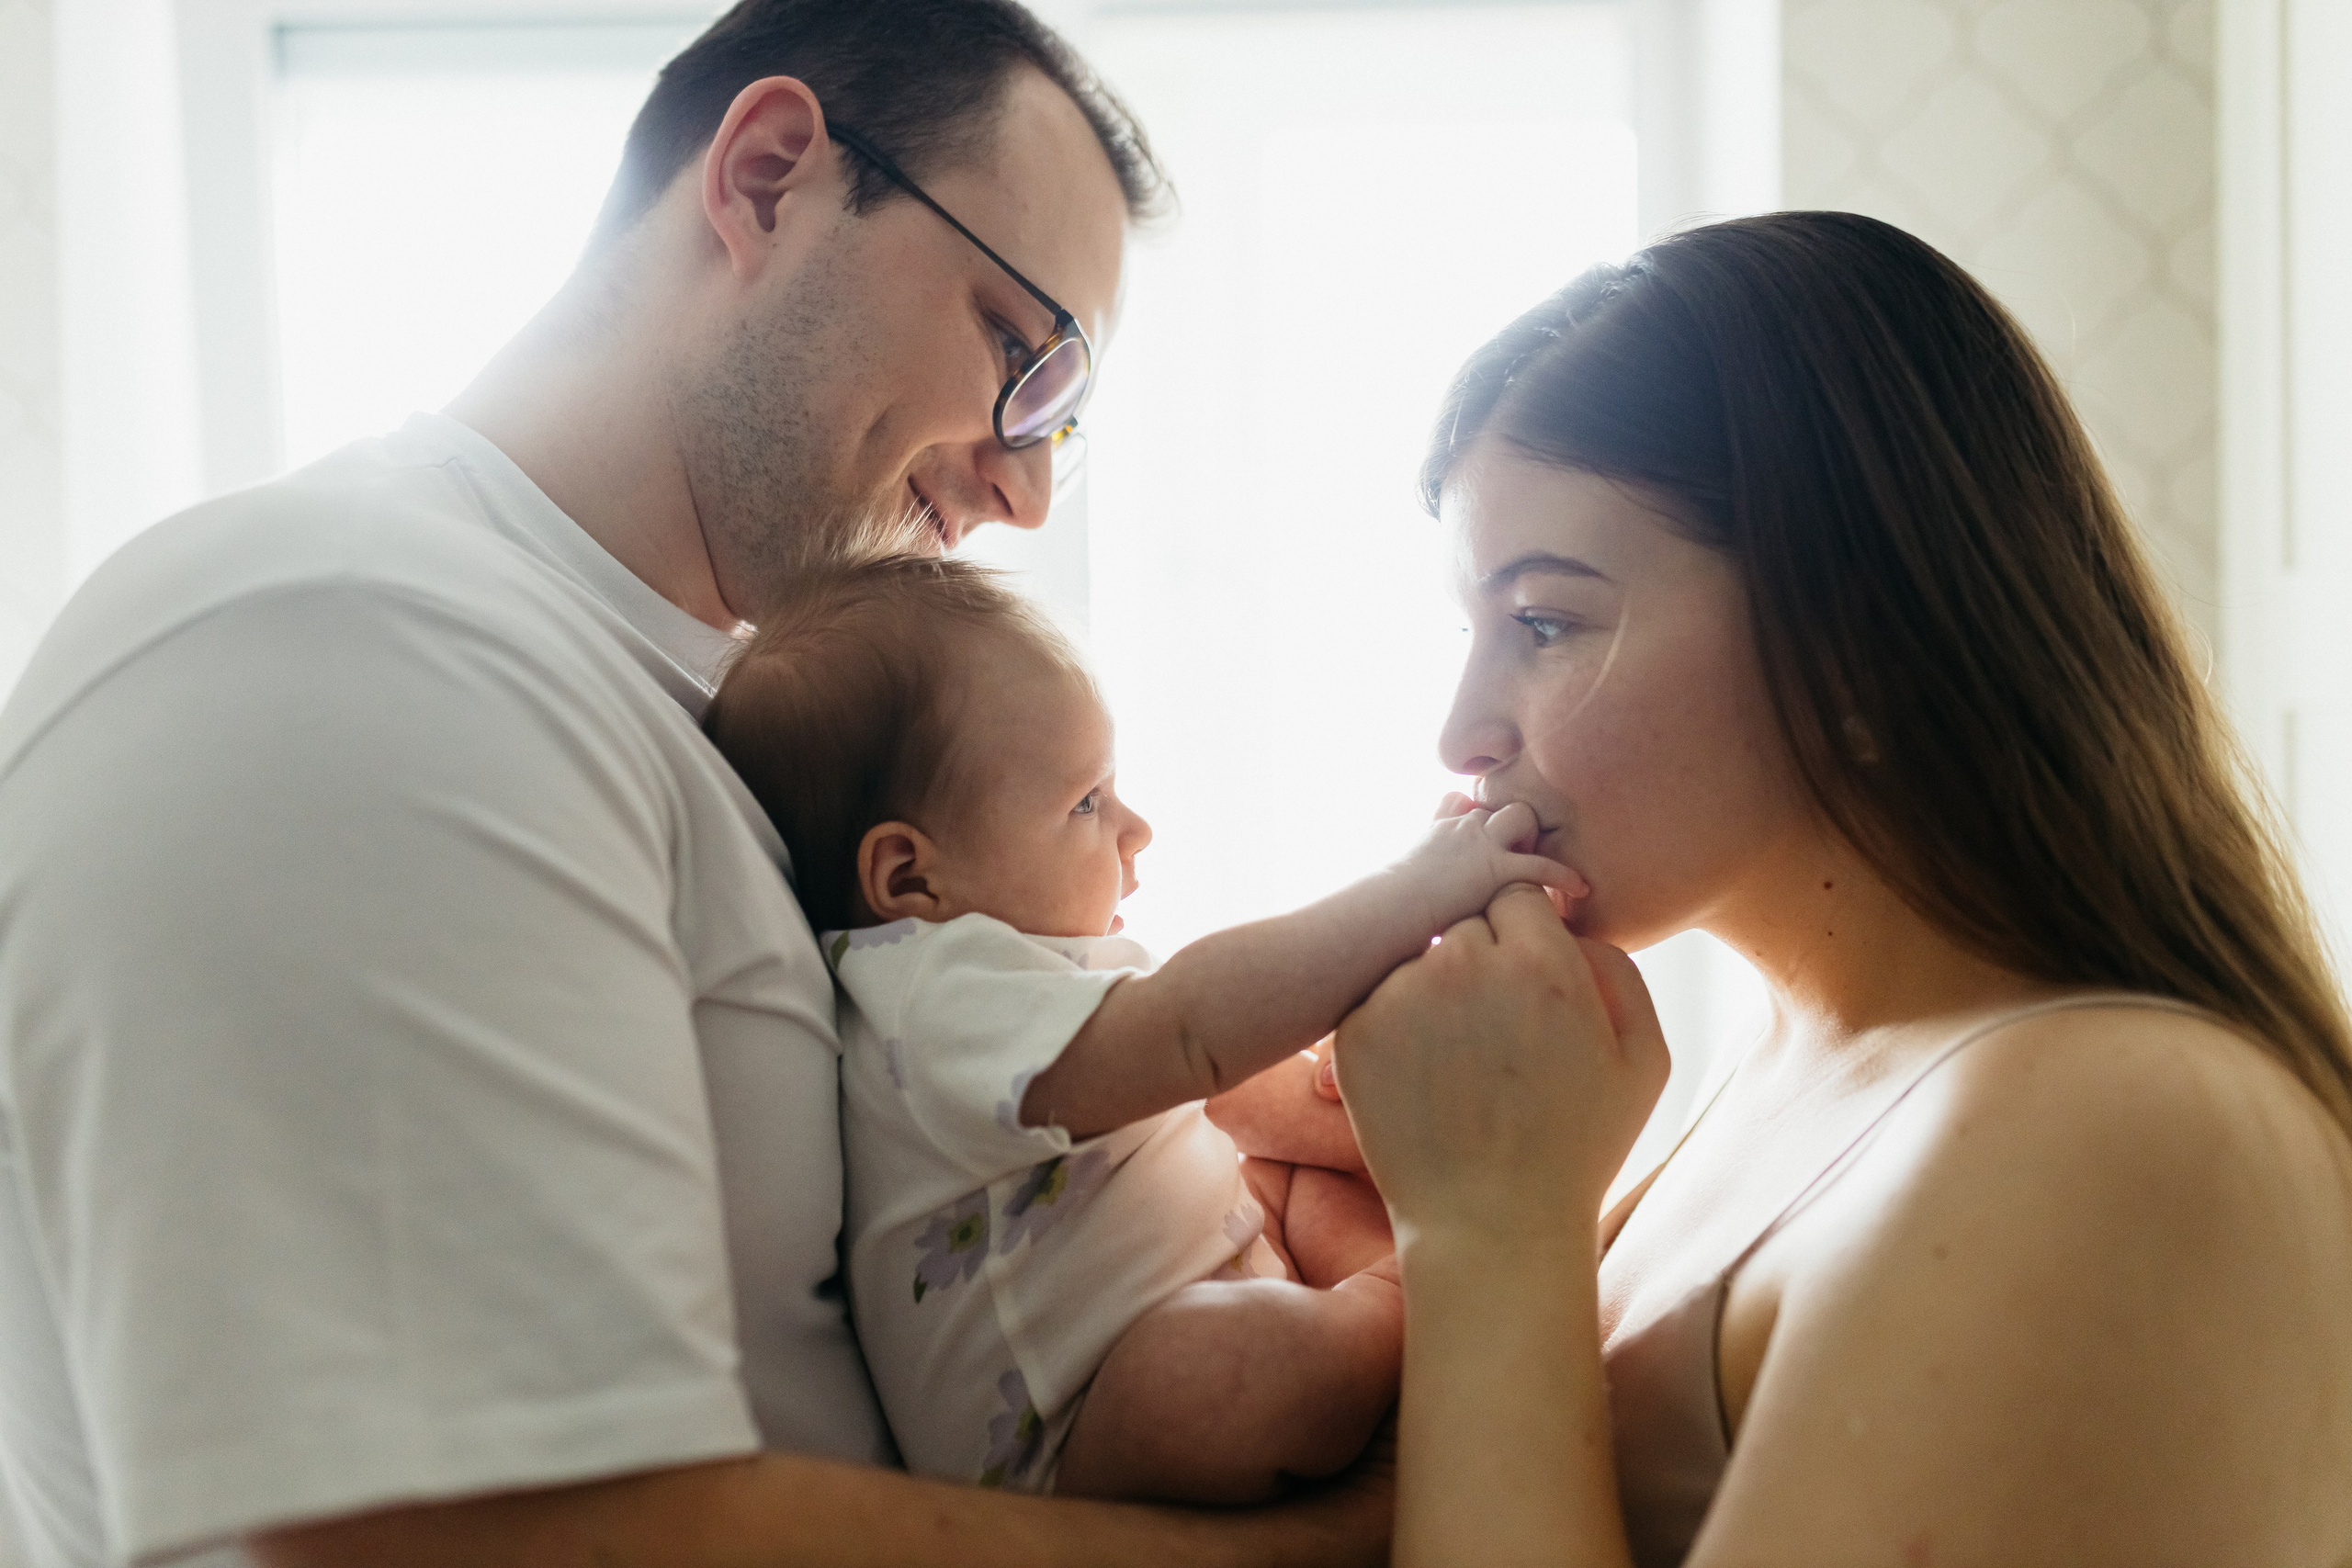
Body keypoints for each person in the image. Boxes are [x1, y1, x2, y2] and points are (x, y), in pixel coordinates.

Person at [0, 3, 1391, 1564]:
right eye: (1021, 352)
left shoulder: (710, 728)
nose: (1026, 485)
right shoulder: (338, 643)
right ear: (768, 174)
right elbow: (467, 1538)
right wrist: (1329, 1540)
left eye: (1065, 413)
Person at [1322, 212, 2352, 1565]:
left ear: (1850, 642)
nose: (1462, 732)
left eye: (1545, 622)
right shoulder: (1793, 1073)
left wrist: (1487, 1228)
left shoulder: (2116, 1120)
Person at [702, 552, 1566, 1502]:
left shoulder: (1023, 986)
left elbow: (1214, 1084)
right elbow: (1191, 1033)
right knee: (1216, 1371)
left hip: (1222, 1271)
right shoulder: (925, 996)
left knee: (1291, 1170)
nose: (1135, 828)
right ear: (910, 876)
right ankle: (1422, 1294)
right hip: (1087, 1436)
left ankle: (1405, 1278)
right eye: (1086, 802)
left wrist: (1363, 1098)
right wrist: (1417, 891)